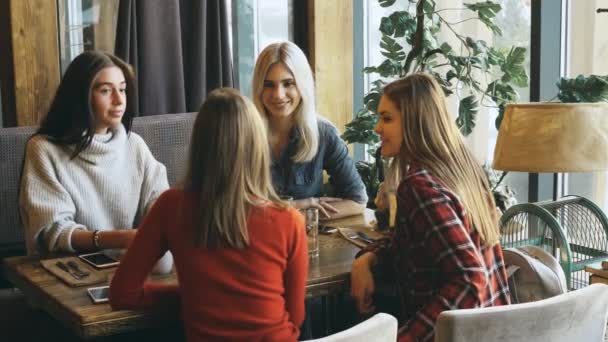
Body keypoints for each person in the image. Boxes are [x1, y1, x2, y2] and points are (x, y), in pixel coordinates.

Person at [109, 88, 308, 342]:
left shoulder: (171, 206)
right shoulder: (289, 221)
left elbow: (123, 294)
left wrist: (197, 297)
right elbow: (297, 317)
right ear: (257, 146)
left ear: (199, 144)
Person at [350, 73, 510, 342]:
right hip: (499, 331)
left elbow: (470, 279)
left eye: (387, 118)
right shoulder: (463, 168)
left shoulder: (418, 186)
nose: (378, 128)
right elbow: (422, 238)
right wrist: (368, 257)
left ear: (415, 122)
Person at [19, 51, 171, 272]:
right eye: (106, 91)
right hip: (69, 271)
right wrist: (118, 239)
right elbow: (52, 231)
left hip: (125, 267)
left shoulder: (134, 145)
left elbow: (161, 204)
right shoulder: (44, 149)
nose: (119, 100)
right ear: (81, 96)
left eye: (122, 89)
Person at [251, 41, 367, 219]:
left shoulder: (324, 133)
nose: (278, 95)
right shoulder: (243, 134)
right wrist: (301, 205)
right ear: (259, 87)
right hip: (256, 242)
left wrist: (304, 216)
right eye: (269, 85)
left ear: (302, 85)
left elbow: (357, 200)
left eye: (288, 83)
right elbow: (230, 207)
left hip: (307, 241)